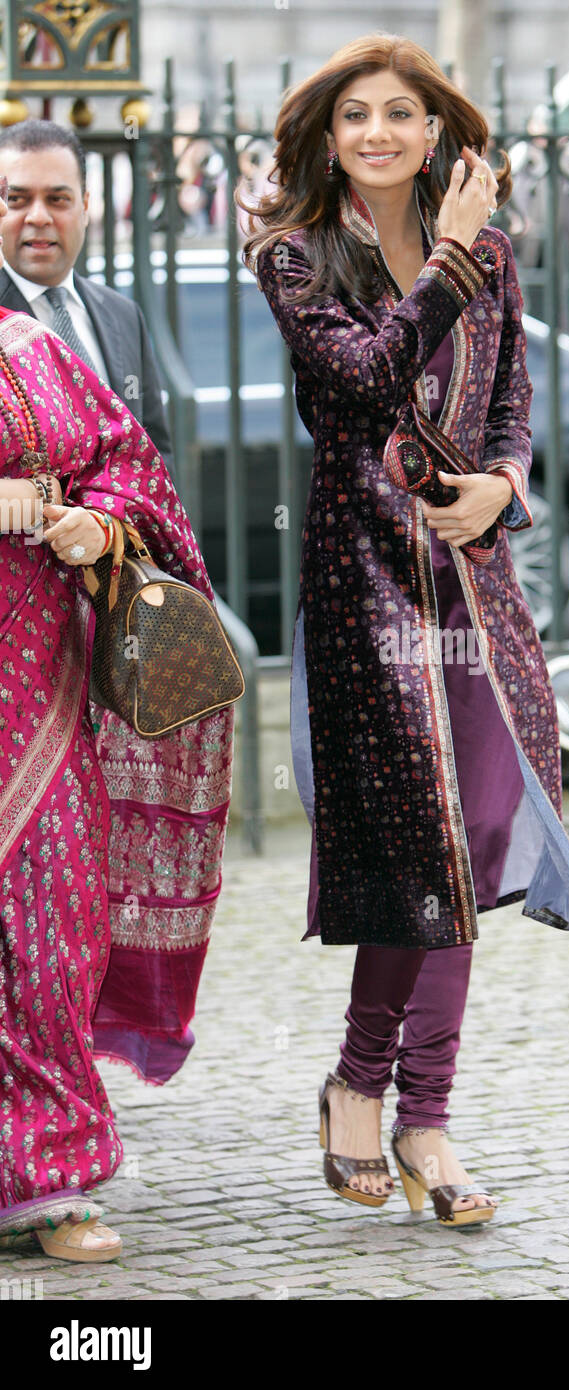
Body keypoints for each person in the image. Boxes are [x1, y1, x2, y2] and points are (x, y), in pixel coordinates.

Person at [239, 33, 569, 1226]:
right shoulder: (296, 256)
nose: (380, 132)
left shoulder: (493, 254)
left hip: (472, 576)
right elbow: (364, 375)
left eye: (401, 112)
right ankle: (374, 1093)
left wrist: (505, 483)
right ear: (329, 138)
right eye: (357, 117)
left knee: (481, 831)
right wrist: (445, 252)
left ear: (434, 128)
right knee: (420, 846)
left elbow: (511, 400)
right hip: (366, 584)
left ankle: (419, 1110)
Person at [0, 172, 234, 1261]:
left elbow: (135, 472)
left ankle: (49, 1180)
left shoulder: (31, 352)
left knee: (52, 929)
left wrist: (94, 523)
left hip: (37, 705)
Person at [0, 119, 176, 482]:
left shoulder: (123, 314)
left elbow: (155, 455)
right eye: (17, 200)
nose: (38, 216)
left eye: (57, 199)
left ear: (84, 206)